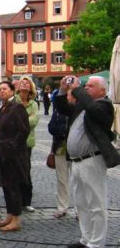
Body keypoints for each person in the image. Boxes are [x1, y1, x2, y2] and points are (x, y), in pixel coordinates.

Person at [55, 75, 120, 248]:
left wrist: (77, 89)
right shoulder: (84, 105)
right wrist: (62, 89)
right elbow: (62, 108)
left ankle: (97, 244)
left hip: (92, 160)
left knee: (96, 203)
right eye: (86, 86)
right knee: (81, 203)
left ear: (102, 90)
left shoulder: (104, 105)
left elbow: (93, 109)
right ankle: (86, 238)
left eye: (91, 86)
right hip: (77, 160)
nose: (87, 88)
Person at [0, 81, 30, 231]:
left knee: (13, 186)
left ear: (12, 91)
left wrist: (12, 146)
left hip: (13, 155)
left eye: (5, 89)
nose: (1, 92)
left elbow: (24, 131)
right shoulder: (5, 107)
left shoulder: (17, 107)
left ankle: (16, 219)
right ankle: (9, 215)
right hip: (2, 153)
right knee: (6, 185)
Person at [15, 76, 39, 212]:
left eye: (27, 83)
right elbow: (12, 120)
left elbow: (34, 121)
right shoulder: (14, 101)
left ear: (31, 87)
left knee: (26, 170)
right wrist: (26, 118)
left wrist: (21, 120)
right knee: (14, 171)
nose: (25, 84)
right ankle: (15, 201)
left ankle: (27, 201)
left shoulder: (34, 104)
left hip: (27, 142)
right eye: (22, 82)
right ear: (18, 87)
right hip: (14, 141)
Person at [47, 89, 69, 219]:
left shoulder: (78, 110)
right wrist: (63, 130)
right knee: (62, 179)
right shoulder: (57, 111)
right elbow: (51, 128)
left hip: (75, 148)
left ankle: (79, 209)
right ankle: (62, 207)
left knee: (78, 180)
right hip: (60, 146)